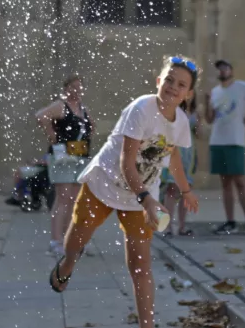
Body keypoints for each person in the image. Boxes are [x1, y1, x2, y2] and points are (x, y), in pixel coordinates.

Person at [48, 55, 200, 328]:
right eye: (168, 80)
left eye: (181, 84)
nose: (172, 87)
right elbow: (126, 162)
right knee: (76, 242)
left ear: (188, 94)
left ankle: (147, 325)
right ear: (158, 81)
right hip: (104, 183)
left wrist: (186, 190)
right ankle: (68, 264)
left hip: (140, 198)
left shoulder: (180, 122)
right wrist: (148, 200)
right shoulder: (141, 109)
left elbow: (173, 155)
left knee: (141, 265)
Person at [205, 59, 245, 236]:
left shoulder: (242, 87)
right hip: (218, 141)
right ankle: (230, 221)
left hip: (235, 141)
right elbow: (210, 120)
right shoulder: (215, 92)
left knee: (240, 181)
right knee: (225, 183)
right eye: (219, 69)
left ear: (231, 70)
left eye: (225, 67)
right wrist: (207, 103)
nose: (222, 71)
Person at [36, 76, 93, 257]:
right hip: (63, 157)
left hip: (80, 156)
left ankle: (70, 240)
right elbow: (41, 116)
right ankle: (55, 241)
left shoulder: (84, 109)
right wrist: (52, 135)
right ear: (66, 89)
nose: (76, 90)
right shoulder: (61, 106)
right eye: (72, 87)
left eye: (79, 87)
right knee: (63, 198)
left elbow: (92, 126)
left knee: (75, 201)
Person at [160, 94, 199, 236]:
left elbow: (199, 134)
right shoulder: (172, 109)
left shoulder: (194, 113)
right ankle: (168, 226)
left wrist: (198, 121)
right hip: (174, 151)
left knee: (186, 190)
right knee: (171, 189)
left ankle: (182, 226)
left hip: (189, 153)